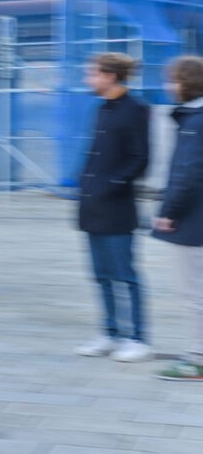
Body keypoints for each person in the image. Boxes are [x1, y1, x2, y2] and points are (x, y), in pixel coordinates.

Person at [76, 52, 151, 362]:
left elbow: (140, 159)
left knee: (125, 275)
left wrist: (110, 186)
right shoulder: (101, 109)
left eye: (92, 74)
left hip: (117, 209)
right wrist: (86, 185)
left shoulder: (136, 109)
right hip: (92, 207)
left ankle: (138, 339)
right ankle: (110, 334)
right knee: (101, 275)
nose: (87, 79)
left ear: (110, 76)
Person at [152, 56, 203, 380]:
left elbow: (188, 172)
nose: (169, 86)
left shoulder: (195, 120)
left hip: (193, 220)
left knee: (192, 292)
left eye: (172, 80)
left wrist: (169, 212)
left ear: (187, 82)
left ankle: (197, 358)